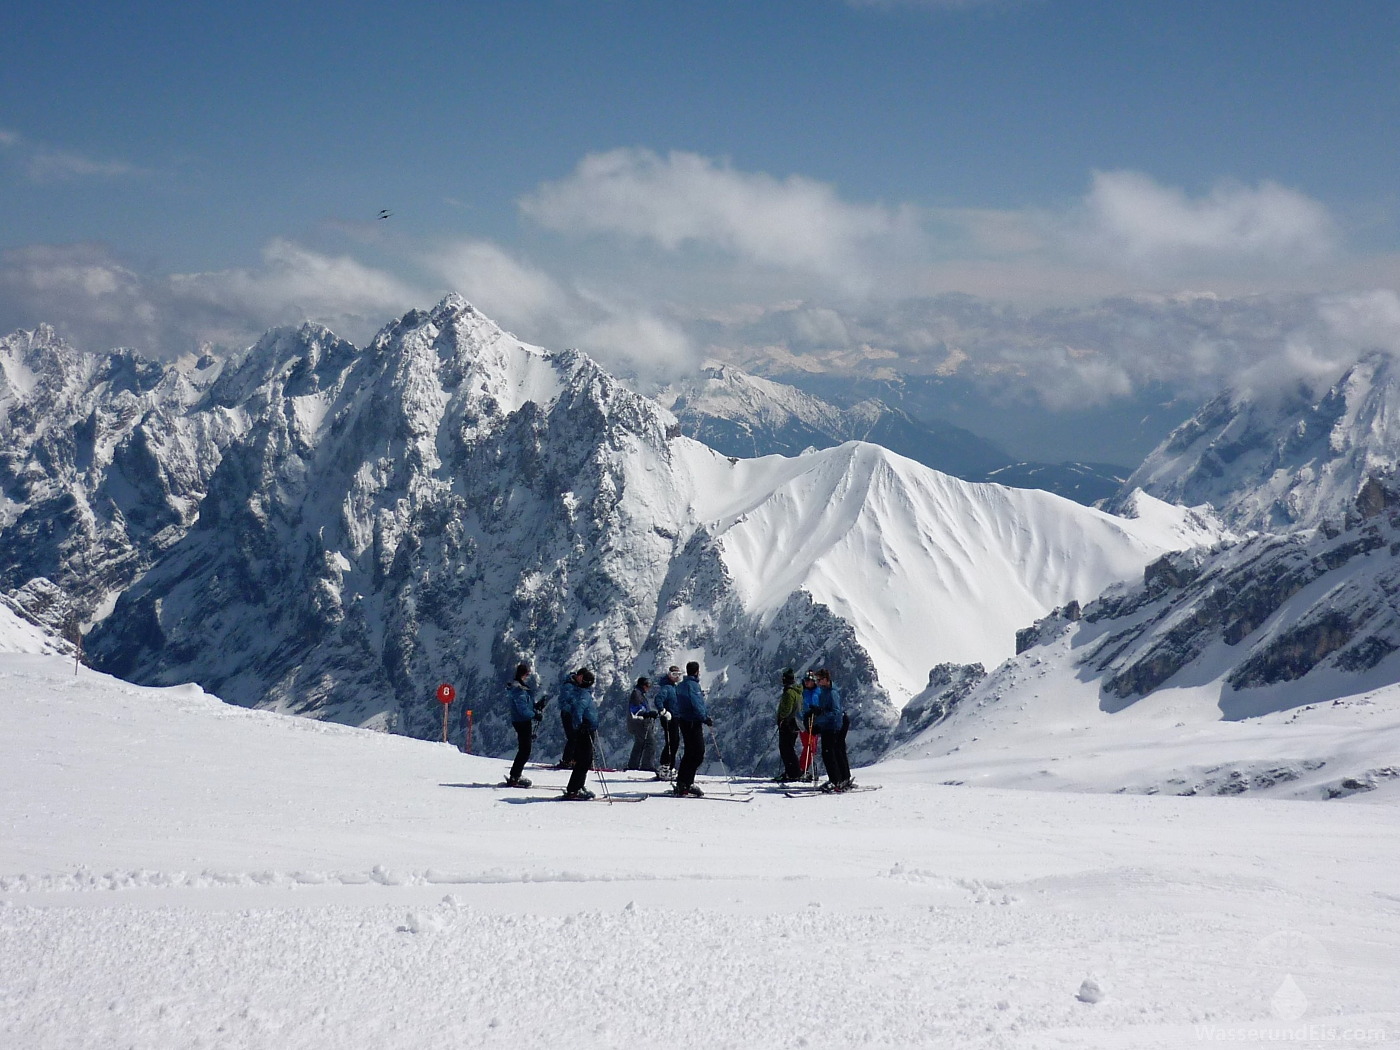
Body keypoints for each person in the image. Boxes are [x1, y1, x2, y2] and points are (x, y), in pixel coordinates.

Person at [805, 668, 852, 792]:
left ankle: (836, 780)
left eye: (819, 680)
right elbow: (823, 709)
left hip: (833, 726)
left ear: (826, 679)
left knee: (829, 753)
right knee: (834, 752)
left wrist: (821, 714)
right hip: (827, 726)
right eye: (817, 680)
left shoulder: (832, 693)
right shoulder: (823, 691)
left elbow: (835, 712)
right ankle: (842, 778)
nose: (818, 682)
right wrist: (816, 717)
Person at [672, 660, 711, 797]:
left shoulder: (681, 686)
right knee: (698, 752)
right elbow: (697, 703)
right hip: (693, 721)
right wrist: (705, 717)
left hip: (683, 720)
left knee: (689, 752)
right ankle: (687, 783)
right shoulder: (693, 686)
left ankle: (682, 783)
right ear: (696, 671)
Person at [502, 661, 544, 787]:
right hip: (522, 722)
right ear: (524, 674)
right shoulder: (519, 690)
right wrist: (534, 714)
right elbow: (523, 710)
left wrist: (536, 706)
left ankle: (516, 774)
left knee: (524, 749)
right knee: (525, 750)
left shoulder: (518, 688)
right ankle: (515, 776)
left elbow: (526, 706)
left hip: (520, 721)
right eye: (527, 674)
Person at [563, 667, 599, 799]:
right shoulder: (583, 695)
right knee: (584, 760)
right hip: (585, 731)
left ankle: (577, 787)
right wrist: (580, 725)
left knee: (585, 760)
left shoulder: (583, 693)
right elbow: (578, 711)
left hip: (586, 729)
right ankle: (573, 789)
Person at [652, 665, 682, 781]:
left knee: (674, 741)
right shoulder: (667, 688)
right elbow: (658, 700)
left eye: (678, 675)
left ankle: (669, 766)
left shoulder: (673, 687)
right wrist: (663, 711)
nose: (676, 677)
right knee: (672, 741)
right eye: (674, 675)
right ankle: (666, 766)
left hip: (675, 717)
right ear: (669, 675)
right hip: (669, 718)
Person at [774, 668, 802, 782]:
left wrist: (781, 717)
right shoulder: (797, 692)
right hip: (795, 724)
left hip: (788, 724)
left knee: (786, 748)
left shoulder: (789, 693)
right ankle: (792, 771)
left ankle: (793, 772)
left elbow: (786, 708)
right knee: (789, 748)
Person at [625, 676, 658, 771]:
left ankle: (633, 765)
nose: (649, 687)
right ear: (643, 685)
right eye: (647, 685)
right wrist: (647, 714)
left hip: (639, 723)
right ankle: (647, 765)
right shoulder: (637, 694)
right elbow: (635, 709)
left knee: (640, 743)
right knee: (650, 743)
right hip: (640, 723)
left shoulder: (639, 694)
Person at [555, 668, 585, 769]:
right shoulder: (568, 686)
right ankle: (567, 760)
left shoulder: (576, 686)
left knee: (576, 737)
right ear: (579, 676)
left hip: (573, 714)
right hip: (568, 714)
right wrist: (572, 708)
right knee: (572, 737)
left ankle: (573, 759)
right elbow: (563, 701)